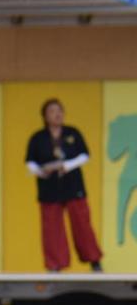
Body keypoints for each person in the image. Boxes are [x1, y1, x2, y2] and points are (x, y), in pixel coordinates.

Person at [25, 98, 104, 273]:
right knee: (52, 227)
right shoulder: (38, 138)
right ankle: (55, 265)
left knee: (82, 223)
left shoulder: (72, 133)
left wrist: (65, 166)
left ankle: (94, 261)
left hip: (73, 184)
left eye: (60, 110)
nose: (57, 114)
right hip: (49, 188)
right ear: (45, 116)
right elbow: (29, 163)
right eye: (52, 111)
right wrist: (41, 171)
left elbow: (85, 156)